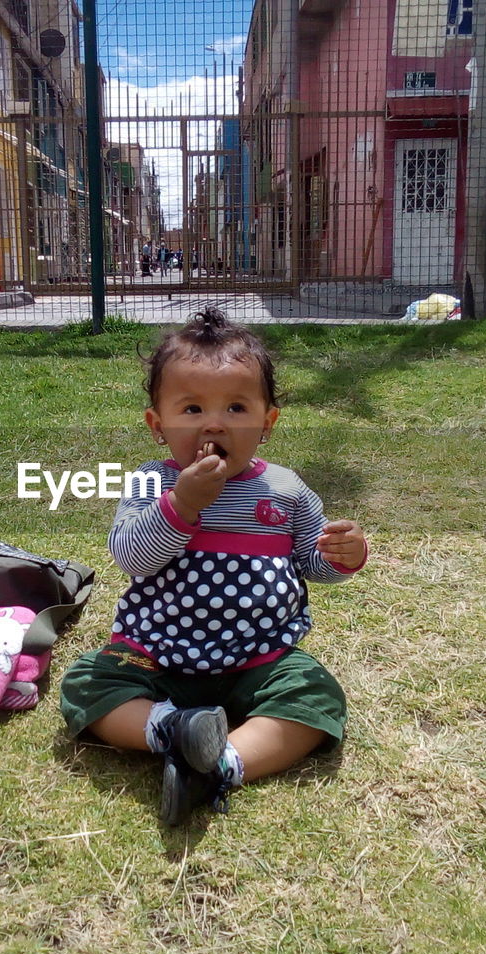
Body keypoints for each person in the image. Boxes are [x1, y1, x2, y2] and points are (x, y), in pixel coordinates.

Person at [59, 309, 368, 826]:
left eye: (237, 407)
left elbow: (311, 562)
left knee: (315, 694)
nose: (215, 422)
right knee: (89, 683)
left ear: (267, 423)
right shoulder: (150, 483)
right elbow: (130, 556)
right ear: (158, 426)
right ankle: (175, 728)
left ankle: (219, 762)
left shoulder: (287, 490)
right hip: (156, 655)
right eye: (193, 407)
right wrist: (181, 506)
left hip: (259, 658)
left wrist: (343, 557)